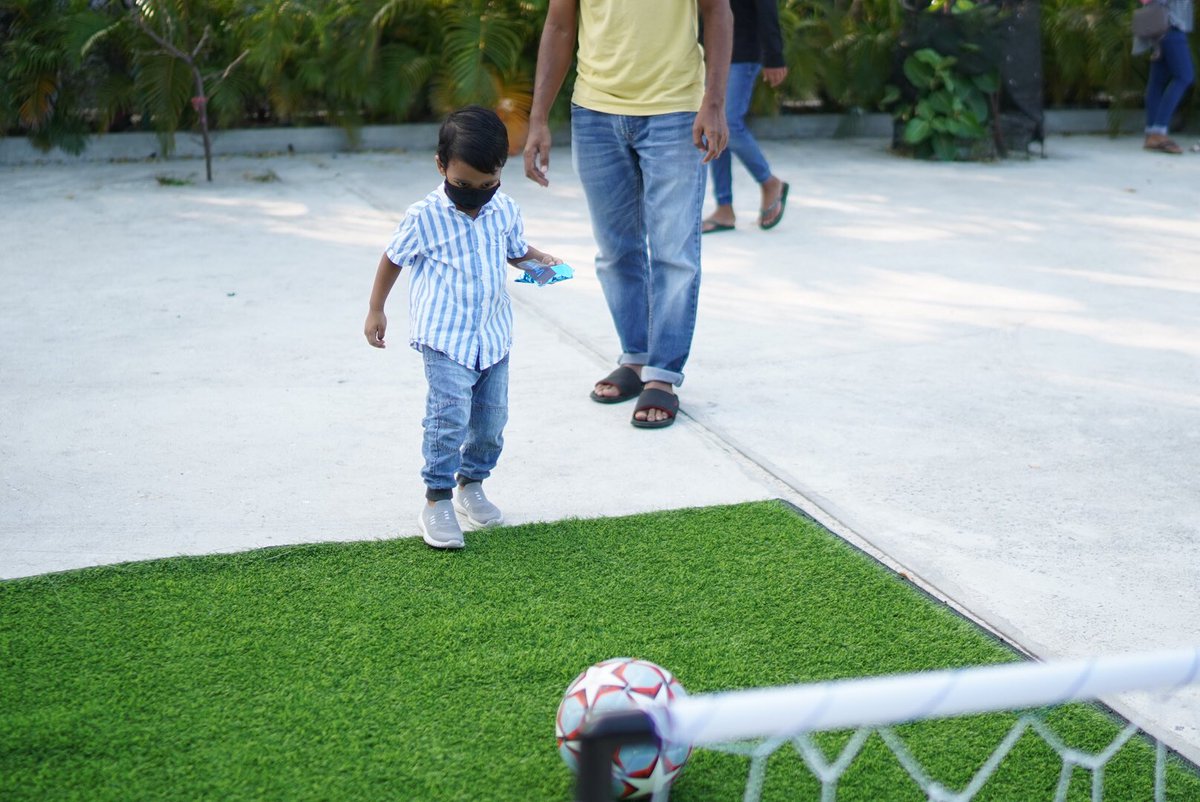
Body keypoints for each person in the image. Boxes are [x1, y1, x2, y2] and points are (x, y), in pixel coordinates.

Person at [524, 0, 732, 430]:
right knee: (615, 251)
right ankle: (636, 358)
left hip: (676, 109)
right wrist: (538, 118)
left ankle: (663, 375)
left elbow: (717, 12)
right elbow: (560, 24)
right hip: (595, 112)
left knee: (674, 253)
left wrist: (713, 102)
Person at [364, 106, 561, 550]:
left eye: (487, 186)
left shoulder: (504, 209)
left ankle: (471, 484)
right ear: (441, 167)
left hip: (493, 336)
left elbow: (513, 251)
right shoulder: (424, 217)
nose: (475, 194)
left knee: (491, 421)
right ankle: (436, 499)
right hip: (445, 338)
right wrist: (377, 308)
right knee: (448, 419)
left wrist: (541, 261)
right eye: (464, 186)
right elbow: (392, 259)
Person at [703, 0, 790, 234]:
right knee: (712, 128)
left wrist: (774, 56)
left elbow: (766, 7)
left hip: (742, 53)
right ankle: (724, 208)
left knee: (730, 122)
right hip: (710, 53)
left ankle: (769, 182)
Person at [1135, 0, 1195, 154]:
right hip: (1171, 26)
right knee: (1184, 76)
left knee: (1157, 82)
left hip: (1160, 28)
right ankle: (1158, 132)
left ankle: (1151, 133)